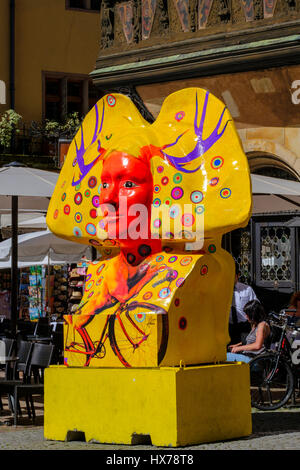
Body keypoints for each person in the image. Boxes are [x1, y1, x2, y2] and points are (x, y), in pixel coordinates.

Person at [228, 263, 258, 345]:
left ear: (238, 275)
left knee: (244, 350)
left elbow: (256, 308)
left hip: (244, 326)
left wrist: (254, 328)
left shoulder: (247, 289)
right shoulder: (221, 289)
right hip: (228, 327)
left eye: (232, 275)